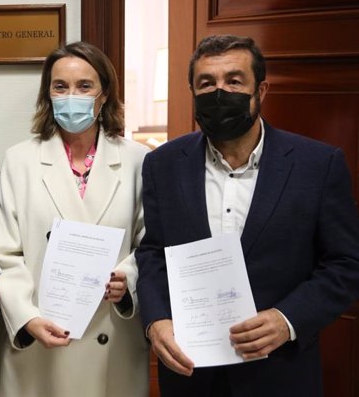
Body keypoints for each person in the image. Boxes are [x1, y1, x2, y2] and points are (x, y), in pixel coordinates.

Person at [136, 34, 359, 396]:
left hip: (280, 374)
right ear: (192, 91)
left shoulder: (317, 165)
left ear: (261, 90)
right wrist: (156, 320)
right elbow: (152, 252)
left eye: (234, 81)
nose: (219, 92)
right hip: (191, 374)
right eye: (206, 83)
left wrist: (287, 320)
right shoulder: (162, 165)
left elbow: (346, 263)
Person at [0, 41, 150, 396]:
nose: (71, 96)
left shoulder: (138, 160)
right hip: (41, 341)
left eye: (84, 86)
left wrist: (127, 277)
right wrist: (27, 317)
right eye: (60, 86)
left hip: (111, 342)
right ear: (47, 94)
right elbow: (6, 254)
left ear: (104, 94)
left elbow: (149, 243)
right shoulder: (20, 160)